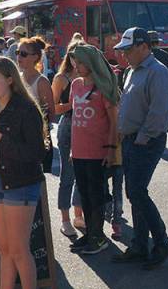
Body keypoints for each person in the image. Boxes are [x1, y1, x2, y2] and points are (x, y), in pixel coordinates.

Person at [0, 56, 47, 289]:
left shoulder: (25, 109)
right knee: (4, 249)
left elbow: (38, 154)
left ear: (10, 79)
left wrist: (2, 141)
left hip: (21, 182)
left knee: (19, 249)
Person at [112, 27, 168, 269]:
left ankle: (161, 241)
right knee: (134, 192)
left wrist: (141, 138)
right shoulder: (132, 70)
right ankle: (140, 244)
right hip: (133, 139)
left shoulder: (157, 71)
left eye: (128, 49)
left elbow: (158, 113)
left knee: (137, 191)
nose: (124, 54)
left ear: (143, 47)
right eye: (123, 50)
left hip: (145, 141)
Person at [65, 44, 120, 256]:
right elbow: (74, 116)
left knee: (96, 195)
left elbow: (114, 120)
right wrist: (71, 149)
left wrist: (112, 148)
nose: (76, 66)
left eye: (80, 62)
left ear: (91, 63)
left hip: (99, 150)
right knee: (84, 195)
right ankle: (90, 234)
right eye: (75, 62)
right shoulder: (76, 84)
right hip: (78, 150)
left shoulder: (104, 86)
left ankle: (98, 237)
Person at [51, 39, 85, 239]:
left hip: (87, 126)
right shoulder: (62, 78)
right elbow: (53, 107)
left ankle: (78, 214)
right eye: (74, 56)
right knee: (67, 174)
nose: (77, 61)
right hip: (68, 126)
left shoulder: (89, 75)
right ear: (69, 57)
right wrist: (73, 104)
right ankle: (65, 218)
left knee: (83, 173)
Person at [17, 37, 55, 172]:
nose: (19, 57)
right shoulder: (16, 78)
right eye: (18, 52)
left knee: (39, 179)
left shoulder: (42, 81)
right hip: (19, 137)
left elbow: (51, 113)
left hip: (38, 137)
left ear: (35, 57)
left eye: (23, 54)